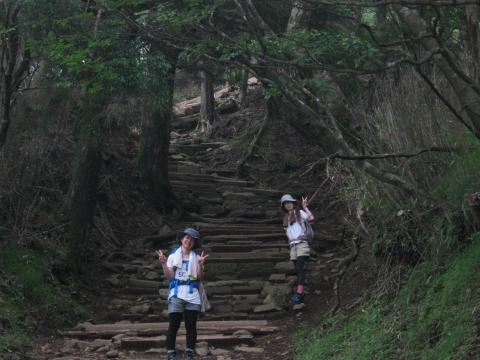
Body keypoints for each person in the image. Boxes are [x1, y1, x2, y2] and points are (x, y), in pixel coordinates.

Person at [156, 228, 208, 360]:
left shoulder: (197, 258)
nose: (189, 241)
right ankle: (170, 351)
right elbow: (170, 277)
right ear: (182, 239)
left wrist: (201, 265)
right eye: (187, 238)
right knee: (174, 324)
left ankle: (189, 351)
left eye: (192, 240)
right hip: (177, 293)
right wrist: (163, 263)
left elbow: (200, 278)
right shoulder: (173, 257)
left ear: (194, 243)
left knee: (191, 325)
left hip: (192, 295)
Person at [280, 194, 314, 305]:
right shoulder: (285, 217)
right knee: (297, 270)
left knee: (299, 268)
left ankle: (299, 294)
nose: (288, 204)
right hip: (293, 246)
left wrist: (305, 207)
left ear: (293, 203)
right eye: (285, 203)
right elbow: (288, 232)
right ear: (283, 206)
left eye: (289, 202)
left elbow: (310, 218)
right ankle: (300, 292)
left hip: (302, 244)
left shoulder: (299, 213)